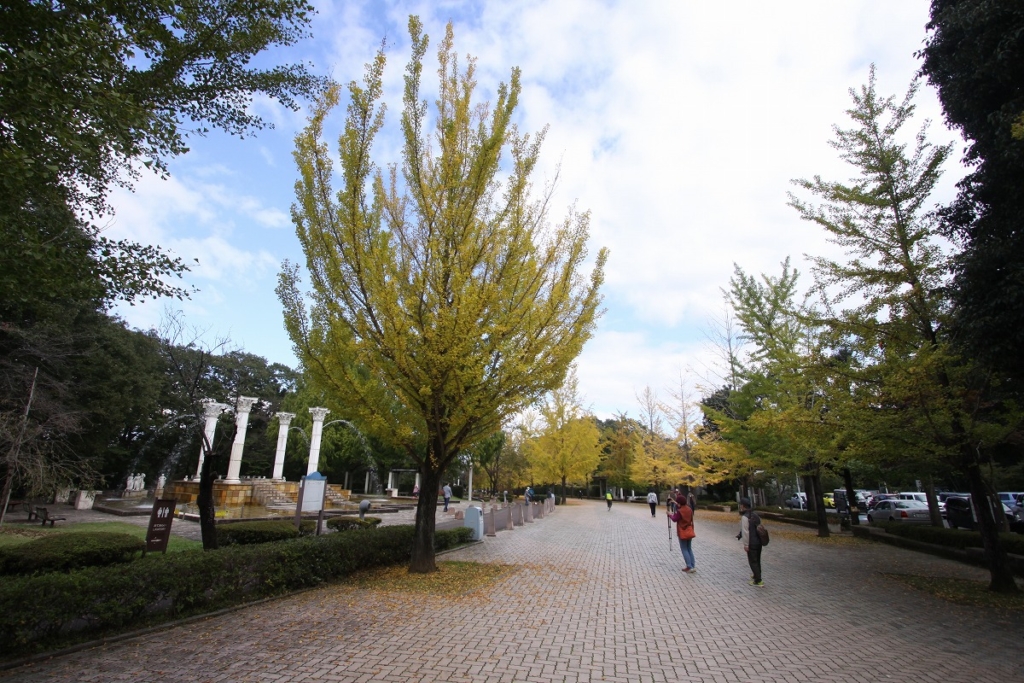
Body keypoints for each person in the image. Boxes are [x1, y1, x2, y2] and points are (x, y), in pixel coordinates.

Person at [739, 497, 764, 586]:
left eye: (741, 505)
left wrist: (746, 544)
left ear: (743, 506)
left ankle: (758, 580)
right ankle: (757, 576)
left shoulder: (745, 517)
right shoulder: (755, 515)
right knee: (757, 560)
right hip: (759, 542)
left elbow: (746, 532)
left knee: (753, 562)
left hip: (751, 542)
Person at [669, 493, 696, 572]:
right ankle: (693, 565)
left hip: (682, 531)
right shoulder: (689, 509)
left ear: (680, 503)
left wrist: (670, 514)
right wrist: (674, 502)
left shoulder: (680, 511)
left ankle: (689, 566)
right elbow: (680, 505)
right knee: (689, 548)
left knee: (684, 549)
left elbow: (674, 519)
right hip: (689, 529)